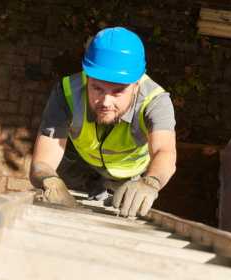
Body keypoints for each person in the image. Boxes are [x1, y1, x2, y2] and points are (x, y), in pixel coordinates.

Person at [29, 27, 176, 217]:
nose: (106, 102)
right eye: (97, 88)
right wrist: (50, 181)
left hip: (124, 172)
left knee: (122, 197)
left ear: (137, 84)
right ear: (86, 76)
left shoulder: (155, 102)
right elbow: (42, 162)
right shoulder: (66, 94)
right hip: (79, 158)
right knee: (61, 188)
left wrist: (151, 182)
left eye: (118, 91)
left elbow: (165, 151)